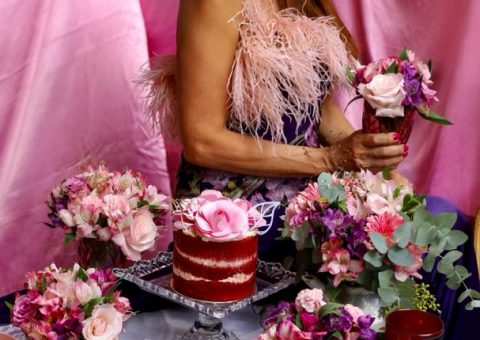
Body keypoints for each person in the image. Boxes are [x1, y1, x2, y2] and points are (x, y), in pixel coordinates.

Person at [148, 0, 407, 260]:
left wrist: (369, 164)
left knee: (416, 222)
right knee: (375, 250)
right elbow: (202, 142)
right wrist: (331, 159)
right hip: (238, 217)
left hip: (310, 199)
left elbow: (320, 112)